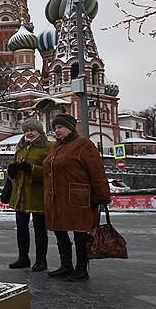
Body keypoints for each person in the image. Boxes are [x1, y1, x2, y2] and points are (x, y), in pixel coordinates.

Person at [43, 113, 110, 282]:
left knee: (80, 233)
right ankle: (66, 265)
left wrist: (101, 196)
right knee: (59, 231)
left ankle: (81, 268)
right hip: (56, 198)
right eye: (55, 128)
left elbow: (96, 171)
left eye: (60, 127)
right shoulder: (54, 147)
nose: (56, 131)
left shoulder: (83, 145)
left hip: (78, 197)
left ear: (70, 128)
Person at [7, 119, 51, 272]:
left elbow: (50, 170)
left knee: (40, 230)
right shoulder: (20, 148)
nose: (29, 133)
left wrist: (32, 168)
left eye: (32, 130)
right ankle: (23, 257)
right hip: (20, 196)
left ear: (40, 132)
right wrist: (11, 170)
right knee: (21, 228)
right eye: (26, 131)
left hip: (38, 195)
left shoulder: (48, 147)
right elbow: (14, 168)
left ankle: (41, 260)